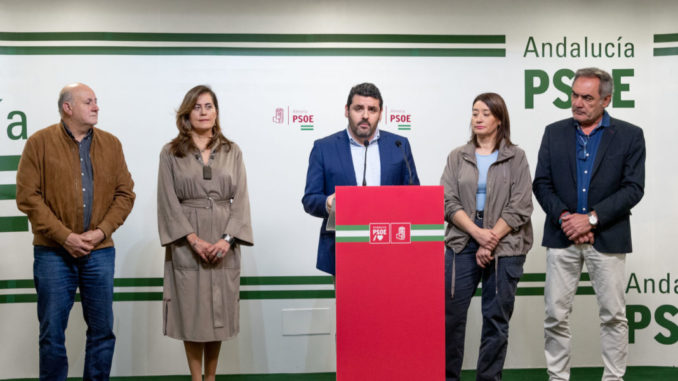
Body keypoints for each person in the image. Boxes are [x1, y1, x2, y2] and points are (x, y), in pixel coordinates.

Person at [15, 83, 136, 380]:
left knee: (102, 331)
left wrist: (101, 232)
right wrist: (64, 236)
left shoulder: (112, 144)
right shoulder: (39, 143)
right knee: (52, 334)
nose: (96, 107)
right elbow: (28, 196)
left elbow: (125, 194)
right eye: (88, 102)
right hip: (53, 253)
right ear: (67, 108)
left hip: (100, 252)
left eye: (96, 101)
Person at [533, 67, 645, 381]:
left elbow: (633, 188)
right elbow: (541, 183)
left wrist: (592, 219)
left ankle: (613, 377)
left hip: (607, 237)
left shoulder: (630, 135)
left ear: (606, 100)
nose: (577, 103)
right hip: (562, 235)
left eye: (587, 97)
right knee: (556, 315)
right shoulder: (553, 132)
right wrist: (566, 218)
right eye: (574, 95)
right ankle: (557, 377)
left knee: (613, 315)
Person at [157, 85, 253, 381]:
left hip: (224, 240)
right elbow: (167, 200)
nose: (203, 112)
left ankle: (211, 377)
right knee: (192, 310)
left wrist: (227, 239)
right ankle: (195, 377)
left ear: (216, 112)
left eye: (209, 106)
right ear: (187, 113)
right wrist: (192, 239)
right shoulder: (171, 152)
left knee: (218, 310)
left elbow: (242, 198)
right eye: (197, 106)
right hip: (187, 242)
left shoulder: (231, 150)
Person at [440, 93, 533, 381]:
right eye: (474, 112)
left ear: (499, 119)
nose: (478, 118)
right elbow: (447, 201)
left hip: (505, 245)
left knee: (495, 320)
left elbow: (521, 205)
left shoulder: (516, 156)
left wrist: (489, 238)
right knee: (451, 318)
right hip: (463, 239)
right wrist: (477, 234)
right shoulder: (458, 156)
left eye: (485, 113)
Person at [302, 82, 419, 276]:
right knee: (351, 307)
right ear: (347, 111)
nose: (365, 115)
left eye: (372, 109)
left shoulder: (399, 145)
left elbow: (414, 196)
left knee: (389, 306)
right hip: (343, 250)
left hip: (391, 249)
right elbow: (309, 199)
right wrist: (327, 203)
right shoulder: (324, 148)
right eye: (359, 108)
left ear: (381, 113)